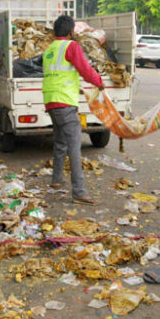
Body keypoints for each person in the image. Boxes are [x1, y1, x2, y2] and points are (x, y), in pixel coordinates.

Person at [43, 15, 104, 206]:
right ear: (71, 32)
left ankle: (56, 179)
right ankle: (79, 191)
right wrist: (99, 82)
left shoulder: (49, 49)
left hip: (51, 100)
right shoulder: (71, 46)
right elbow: (85, 69)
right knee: (74, 145)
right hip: (65, 101)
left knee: (61, 141)